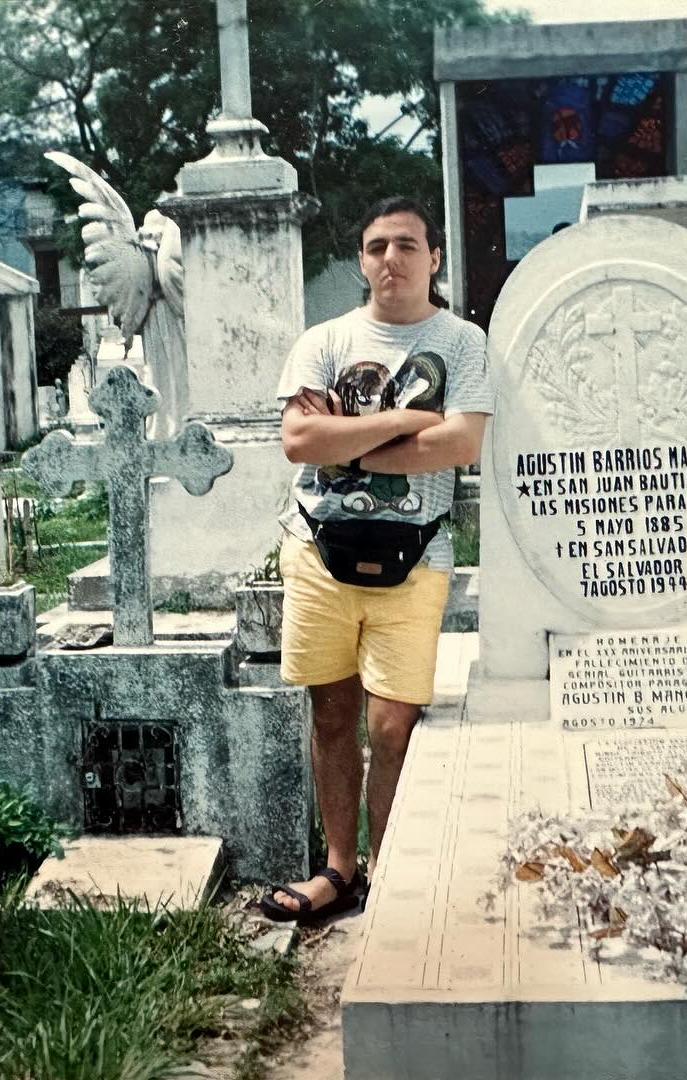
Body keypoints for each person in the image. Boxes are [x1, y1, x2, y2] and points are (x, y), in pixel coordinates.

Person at [260, 197, 491, 924]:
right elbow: (299, 442)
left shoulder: (461, 343)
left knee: (393, 726)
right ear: (361, 260)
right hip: (318, 549)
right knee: (332, 718)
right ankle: (339, 868)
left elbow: (460, 443)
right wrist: (405, 422)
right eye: (377, 246)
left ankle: (389, 872)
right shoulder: (324, 341)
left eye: (407, 245)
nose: (392, 258)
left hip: (415, 556)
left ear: (435, 258)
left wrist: (349, 443)